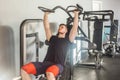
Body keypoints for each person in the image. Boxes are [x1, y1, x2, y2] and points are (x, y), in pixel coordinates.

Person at [21, 10, 79, 80]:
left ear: (66, 31)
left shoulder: (68, 40)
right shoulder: (52, 38)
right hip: (46, 63)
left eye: (62, 27)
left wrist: (76, 14)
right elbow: (47, 28)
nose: (60, 28)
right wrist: (46, 14)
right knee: (24, 69)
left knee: (49, 72)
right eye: (59, 27)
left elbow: (74, 28)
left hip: (58, 65)